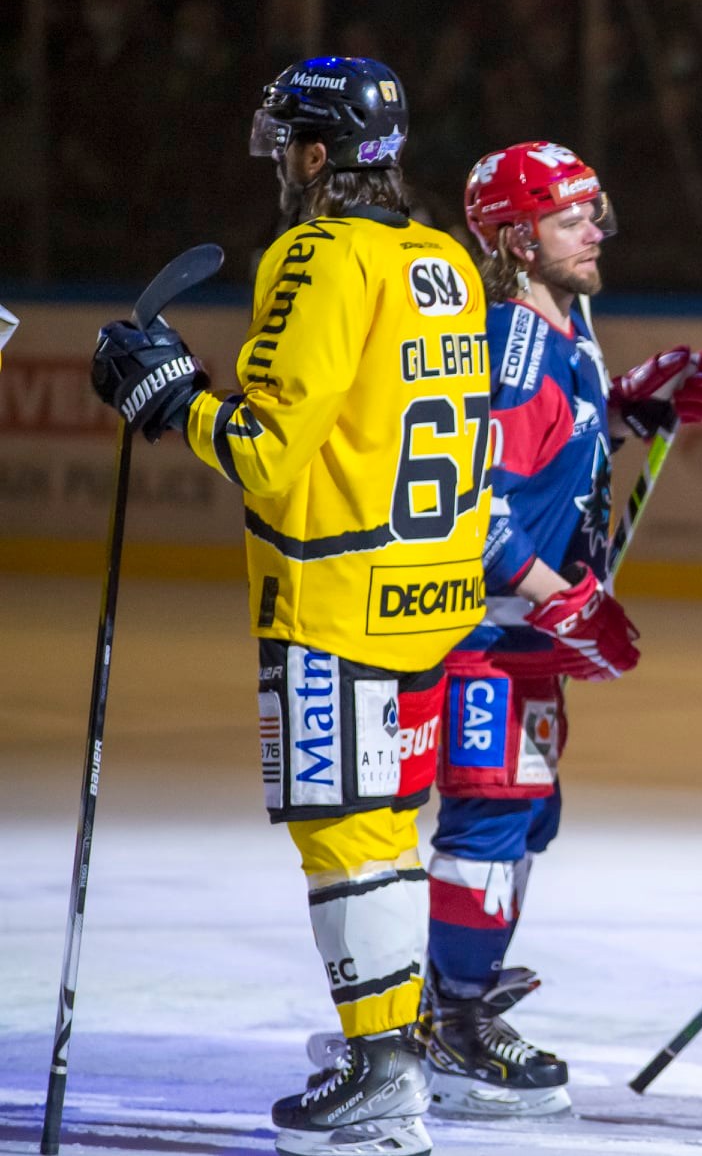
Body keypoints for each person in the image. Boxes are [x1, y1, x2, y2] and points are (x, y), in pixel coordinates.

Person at [89, 56, 491, 1156]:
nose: (278, 169)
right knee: (388, 828)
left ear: (317, 156)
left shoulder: (316, 253)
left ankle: (382, 1074)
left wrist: (174, 400)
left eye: (285, 148)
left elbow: (267, 451)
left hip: (335, 591)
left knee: (342, 835)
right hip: (429, 589)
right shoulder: (441, 254)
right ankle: (393, 1044)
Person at [416, 142, 702, 1118]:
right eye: (569, 218)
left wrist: (628, 405)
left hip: (527, 642)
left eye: (595, 211)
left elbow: (558, 442)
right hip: (489, 639)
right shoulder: (509, 339)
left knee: (524, 818)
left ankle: (458, 985)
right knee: (492, 816)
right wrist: (561, 595)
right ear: (514, 240)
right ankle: (451, 1018)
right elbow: (478, 505)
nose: (595, 230)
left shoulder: (566, 328)